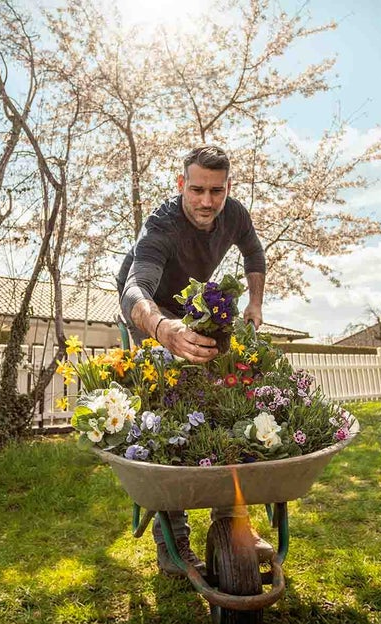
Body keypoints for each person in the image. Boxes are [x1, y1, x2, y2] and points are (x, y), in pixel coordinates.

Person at [116, 144, 267, 576]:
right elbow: (134, 290)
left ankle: (233, 519)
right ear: (182, 184)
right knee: (162, 412)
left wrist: (254, 305)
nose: (206, 201)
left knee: (225, 401)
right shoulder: (161, 225)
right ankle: (172, 537)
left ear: (227, 188)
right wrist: (163, 329)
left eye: (215, 191)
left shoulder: (234, 214)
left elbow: (254, 254)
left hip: (192, 308)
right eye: (196, 189)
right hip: (149, 313)